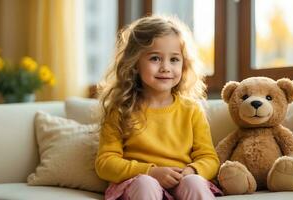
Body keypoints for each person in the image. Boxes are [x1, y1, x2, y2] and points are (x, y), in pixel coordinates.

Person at [95, 15, 221, 200]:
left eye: (174, 59)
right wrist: (150, 172)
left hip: (182, 182)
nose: (166, 67)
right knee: (146, 184)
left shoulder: (191, 110)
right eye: (155, 58)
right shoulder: (121, 110)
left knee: (194, 182)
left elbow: (210, 159)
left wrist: (192, 170)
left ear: (184, 64)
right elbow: (105, 163)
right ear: (135, 63)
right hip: (139, 183)